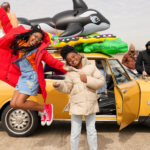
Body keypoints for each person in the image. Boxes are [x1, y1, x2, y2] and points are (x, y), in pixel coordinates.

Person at [0, 7, 66, 126]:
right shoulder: (19, 43)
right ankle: (43, 110)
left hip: (32, 78)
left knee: (20, 103)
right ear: (30, 35)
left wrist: (73, 68)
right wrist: (1, 11)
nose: (36, 40)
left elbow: (55, 63)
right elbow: (7, 27)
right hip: (23, 77)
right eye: (35, 36)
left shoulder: (40, 52)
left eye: (39, 39)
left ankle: (45, 108)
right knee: (13, 104)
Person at [53, 45, 104, 150]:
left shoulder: (91, 68)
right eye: (69, 60)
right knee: (75, 133)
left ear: (79, 55)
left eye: (73, 56)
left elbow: (101, 83)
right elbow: (67, 88)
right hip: (76, 106)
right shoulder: (70, 74)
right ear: (68, 63)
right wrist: (59, 86)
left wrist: (87, 80)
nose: (72, 60)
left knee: (91, 131)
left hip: (91, 105)